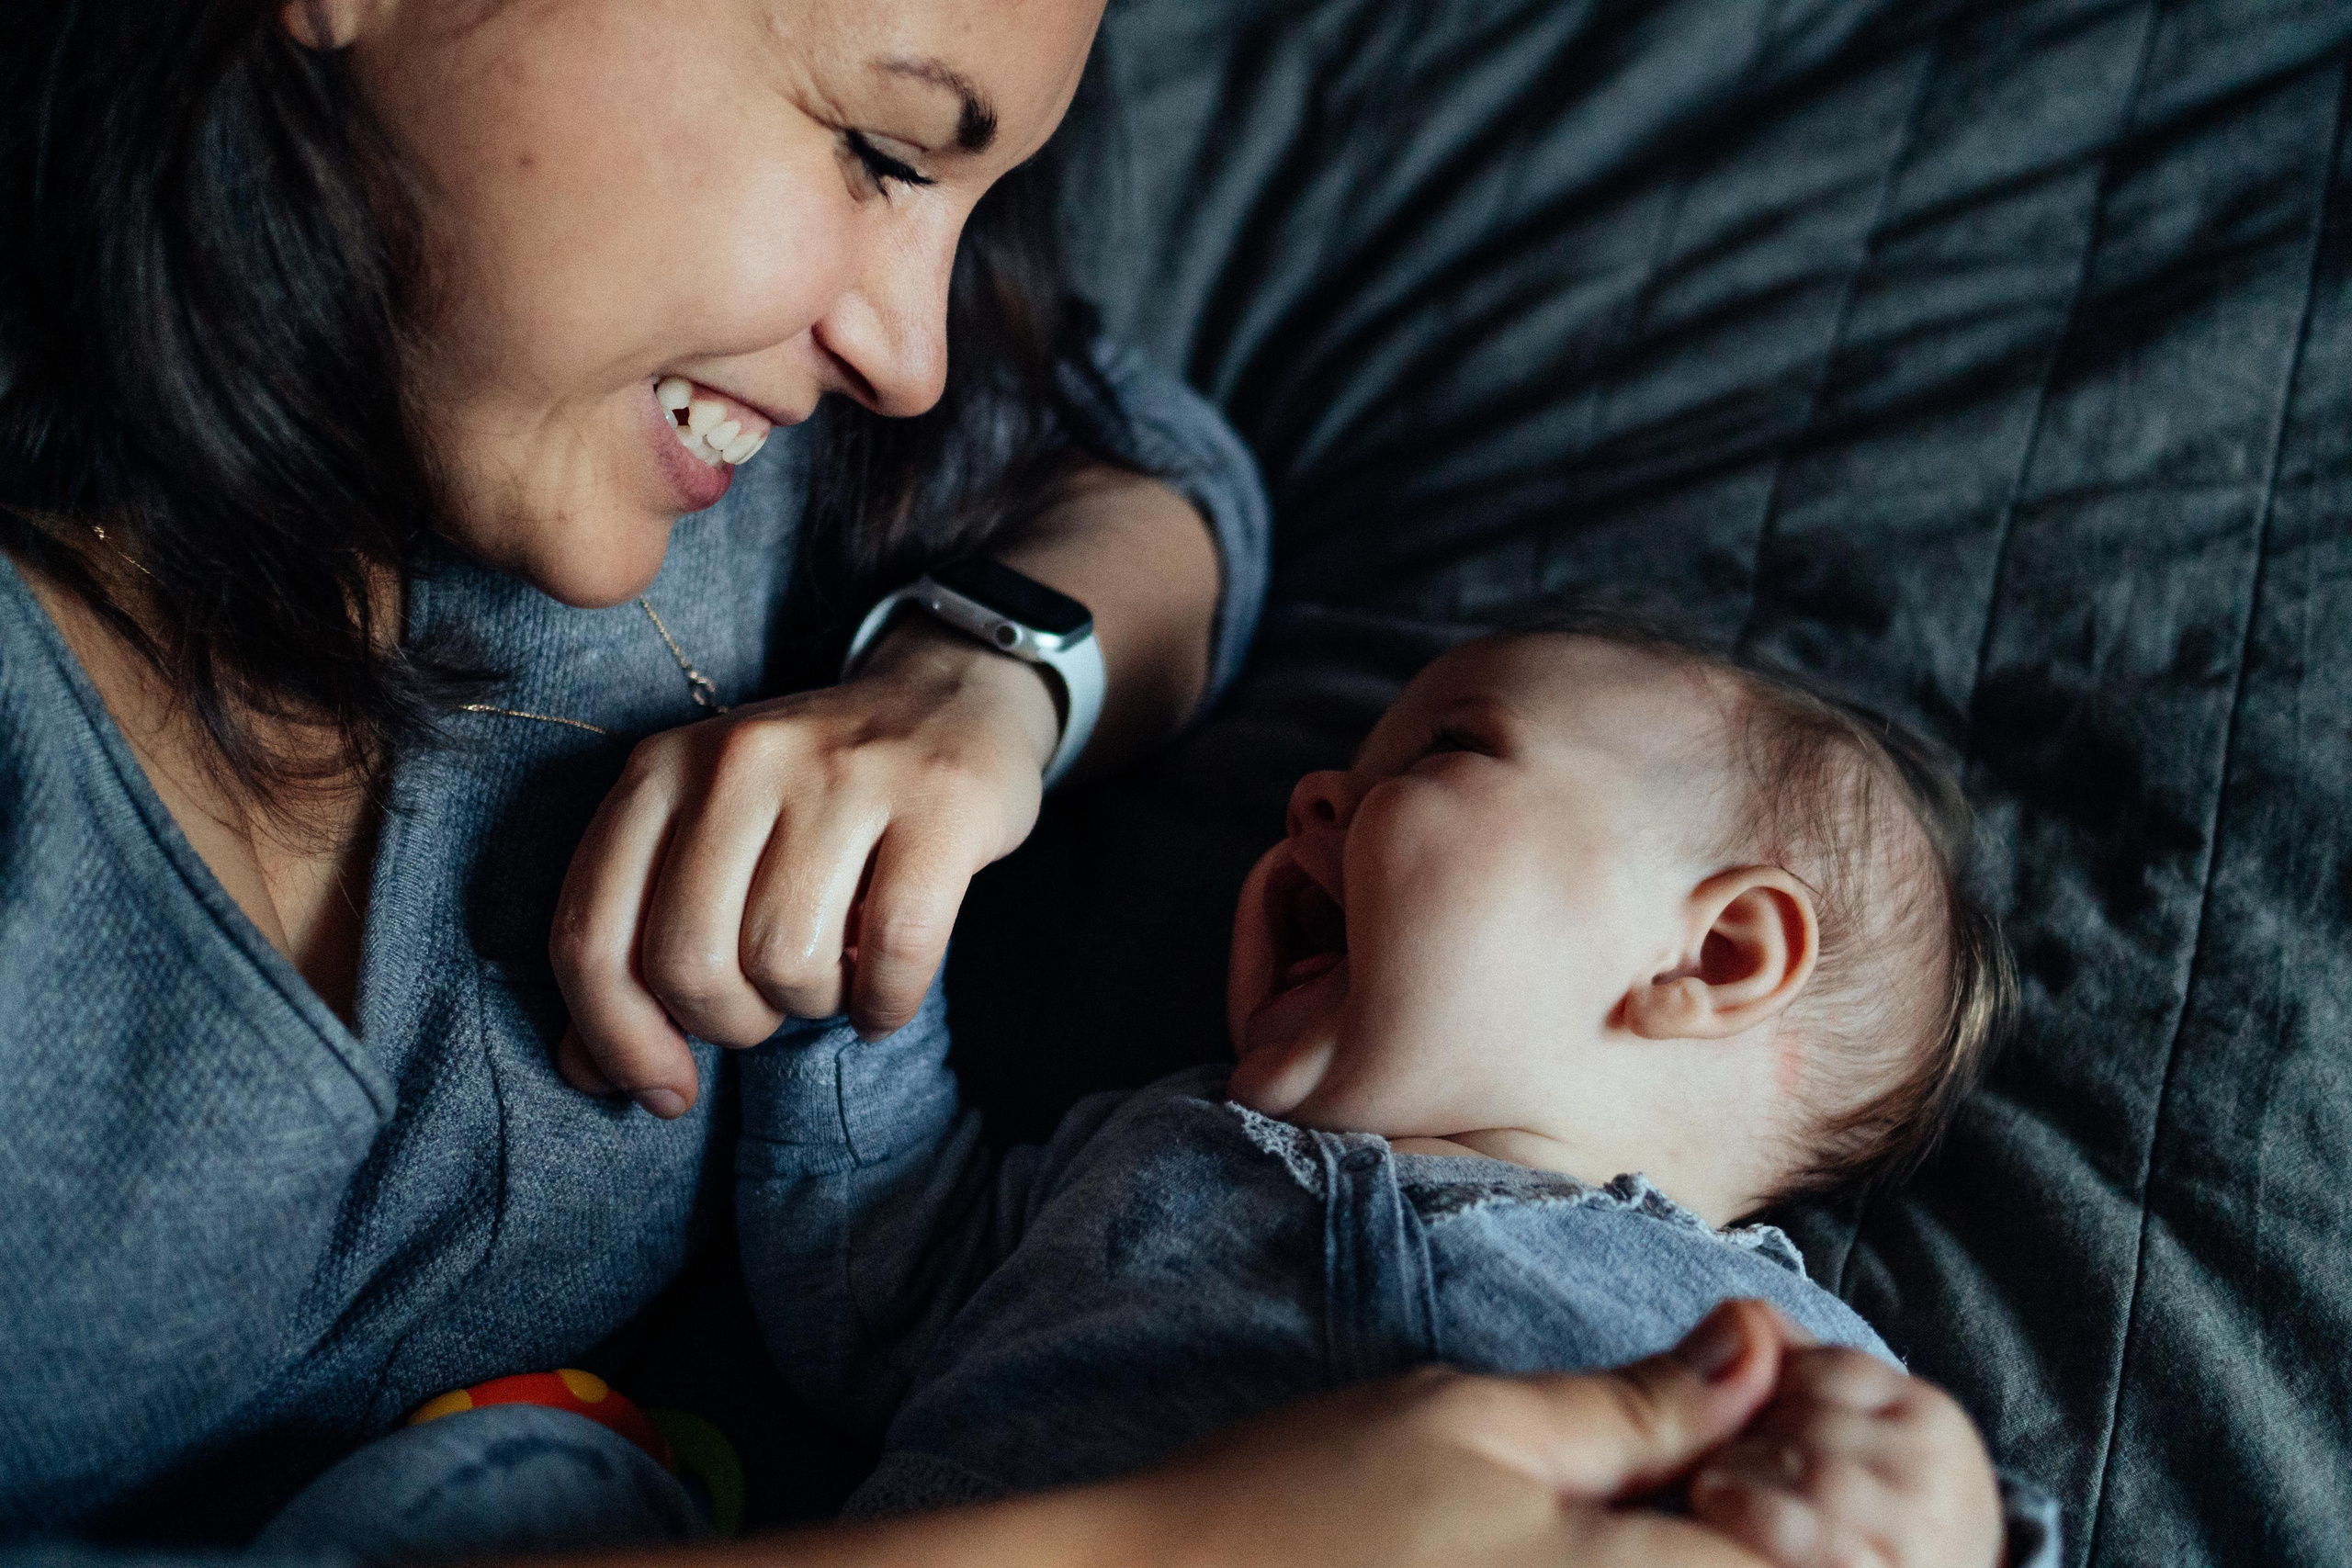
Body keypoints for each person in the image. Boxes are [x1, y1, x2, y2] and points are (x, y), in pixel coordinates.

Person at [0, 0, 1994, 1562]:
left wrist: (981, 683)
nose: (909, 351)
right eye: (879, 144)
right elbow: (889, 1252)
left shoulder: (721, 466)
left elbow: (1155, 473)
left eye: (966, 197)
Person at [261, 625, 2057, 1566]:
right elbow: (876, 1274)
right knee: (509, 1493)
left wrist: (1935, 1518)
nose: (1307, 806)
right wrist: (867, 965)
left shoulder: (1756, 1348)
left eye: (1445, 749)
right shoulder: (1146, 1148)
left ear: (1718, 954)